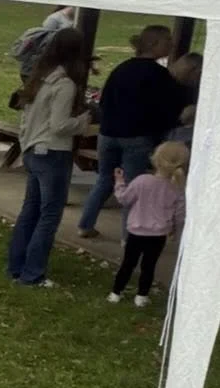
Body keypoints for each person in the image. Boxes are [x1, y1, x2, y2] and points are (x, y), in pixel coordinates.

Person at [7, 26, 96, 287]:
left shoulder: (40, 78)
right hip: (53, 151)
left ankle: (16, 266)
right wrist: (83, 120)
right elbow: (59, 125)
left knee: (30, 211)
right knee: (49, 215)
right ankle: (33, 273)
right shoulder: (64, 85)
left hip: (34, 149)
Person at [76, 25, 181, 238]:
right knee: (134, 187)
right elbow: (168, 107)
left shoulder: (121, 69)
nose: (172, 44)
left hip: (108, 134)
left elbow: (104, 101)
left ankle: (85, 224)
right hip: (136, 136)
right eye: (167, 40)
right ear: (154, 44)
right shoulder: (159, 75)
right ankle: (129, 235)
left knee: (105, 178)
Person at [107, 140, 189, 307]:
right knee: (149, 266)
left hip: (136, 231)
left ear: (156, 159)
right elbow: (179, 214)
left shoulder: (142, 181)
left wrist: (119, 182)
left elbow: (124, 198)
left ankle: (116, 292)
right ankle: (142, 296)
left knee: (128, 264)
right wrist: (175, 230)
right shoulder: (176, 188)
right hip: (158, 234)